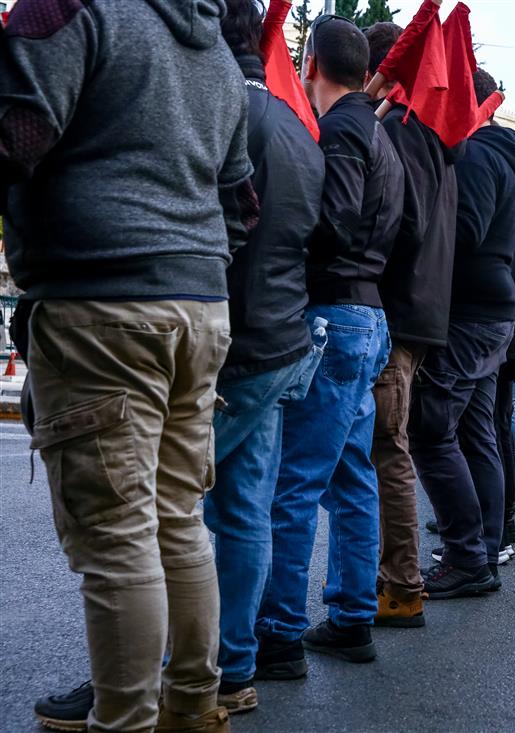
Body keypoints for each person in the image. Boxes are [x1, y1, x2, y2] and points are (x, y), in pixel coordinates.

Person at [3, 0, 255, 728]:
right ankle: (192, 706)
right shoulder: (210, 41)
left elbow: (16, 139)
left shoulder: (68, 11)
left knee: (117, 535)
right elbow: (240, 198)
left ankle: (124, 721)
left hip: (101, 299)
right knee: (177, 518)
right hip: (199, 301)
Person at [255, 15, 402, 675]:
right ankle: (348, 615)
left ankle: (278, 633)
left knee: (295, 481)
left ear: (308, 63)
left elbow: (334, 218)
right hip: (368, 316)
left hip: (335, 315)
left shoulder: (341, 128)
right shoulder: (379, 134)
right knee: (349, 476)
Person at [203, 0, 327, 713]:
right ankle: (233, 666)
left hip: (229, 340)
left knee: (157, 504)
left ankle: (166, 665)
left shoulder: (223, 110)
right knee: (244, 506)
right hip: (280, 338)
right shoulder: (299, 131)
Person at [409, 68, 515, 599]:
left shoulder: (479, 155)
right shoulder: (499, 157)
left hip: (469, 314)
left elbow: (462, 233)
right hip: (490, 312)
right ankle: (481, 547)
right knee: (475, 431)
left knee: (432, 431)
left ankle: (467, 555)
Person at [363, 20, 461, 629]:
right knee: (386, 447)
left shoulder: (397, 131)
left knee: (385, 449)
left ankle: (400, 584)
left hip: (395, 311)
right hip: (420, 312)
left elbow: (397, 224)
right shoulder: (428, 135)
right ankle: (384, 578)